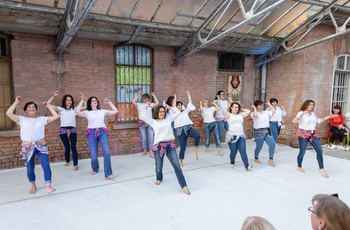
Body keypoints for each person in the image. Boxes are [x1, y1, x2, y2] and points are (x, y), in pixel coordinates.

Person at [6, 96, 59, 194]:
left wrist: (48, 106)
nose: (32, 108)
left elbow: (56, 116)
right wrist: (16, 102)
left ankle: (48, 186)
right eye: (29, 107)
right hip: (27, 146)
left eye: (34, 107)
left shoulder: (41, 119)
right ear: (26, 110)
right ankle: (33, 185)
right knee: (30, 168)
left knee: (46, 165)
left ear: (36, 109)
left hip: (41, 145)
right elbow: (8, 113)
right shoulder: (21, 119)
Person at [140, 95, 191, 195]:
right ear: (157, 113)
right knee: (159, 165)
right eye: (160, 112)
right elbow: (142, 116)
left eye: (163, 112)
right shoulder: (153, 122)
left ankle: (184, 186)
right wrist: (146, 106)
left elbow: (177, 112)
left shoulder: (168, 120)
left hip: (170, 146)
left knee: (177, 166)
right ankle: (159, 178)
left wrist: (169, 107)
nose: (162, 113)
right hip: (159, 147)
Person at [76, 96, 118, 179]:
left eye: (95, 100)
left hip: (102, 132)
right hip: (91, 133)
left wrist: (109, 102)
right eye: (92, 101)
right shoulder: (87, 112)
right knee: (94, 155)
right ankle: (95, 168)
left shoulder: (102, 111)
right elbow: (77, 112)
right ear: (90, 103)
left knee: (106, 152)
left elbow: (115, 111)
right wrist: (81, 101)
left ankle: (108, 174)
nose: (94, 102)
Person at [292, 100, 333, 178]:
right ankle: (299, 166)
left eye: (313, 105)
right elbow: (294, 121)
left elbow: (318, 121)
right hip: (303, 134)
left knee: (319, 150)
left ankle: (321, 168)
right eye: (310, 105)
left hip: (312, 134)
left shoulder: (312, 114)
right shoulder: (301, 112)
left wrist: (328, 117)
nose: (312, 106)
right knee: (302, 152)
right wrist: (301, 115)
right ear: (306, 105)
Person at [47, 91, 85, 170]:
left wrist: (83, 98)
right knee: (67, 147)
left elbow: (85, 106)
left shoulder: (74, 109)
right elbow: (48, 104)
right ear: (65, 101)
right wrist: (53, 96)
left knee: (73, 147)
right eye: (67, 100)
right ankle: (67, 160)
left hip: (72, 130)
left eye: (70, 100)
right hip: (63, 130)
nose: (69, 101)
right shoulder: (60, 109)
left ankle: (75, 164)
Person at [174, 91, 200, 167]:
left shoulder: (185, 111)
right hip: (181, 131)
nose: (180, 106)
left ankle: (195, 150)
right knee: (183, 146)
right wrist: (175, 98)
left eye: (181, 105)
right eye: (178, 105)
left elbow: (190, 104)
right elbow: (173, 107)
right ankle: (181, 160)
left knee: (197, 135)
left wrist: (189, 95)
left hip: (188, 128)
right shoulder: (174, 113)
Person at [223, 102, 253, 170]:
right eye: (235, 107)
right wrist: (228, 106)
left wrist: (240, 109)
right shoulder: (229, 115)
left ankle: (247, 166)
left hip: (241, 136)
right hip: (232, 136)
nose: (237, 109)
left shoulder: (241, 115)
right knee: (233, 152)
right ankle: (232, 162)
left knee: (243, 151)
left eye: (238, 107)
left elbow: (248, 111)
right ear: (231, 108)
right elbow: (223, 112)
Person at [132, 92, 159, 158]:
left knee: (151, 137)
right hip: (142, 123)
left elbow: (157, 103)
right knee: (144, 137)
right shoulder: (139, 104)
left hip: (149, 123)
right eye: (145, 98)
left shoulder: (150, 104)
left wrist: (154, 95)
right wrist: (138, 95)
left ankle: (151, 151)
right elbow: (133, 101)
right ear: (143, 98)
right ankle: (144, 150)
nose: (146, 99)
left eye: (148, 98)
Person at [251, 100, 276, 167]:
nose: (261, 106)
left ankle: (271, 159)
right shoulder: (253, 113)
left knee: (272, 145)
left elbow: (273, 111)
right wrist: (254, 109)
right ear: (256, 106)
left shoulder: (265, 112)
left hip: (267, 131)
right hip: (258, 132)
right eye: (259, 105)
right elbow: (255, 116)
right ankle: (256, 158)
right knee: (259, 147)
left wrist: (269, 104)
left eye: (262, 105)